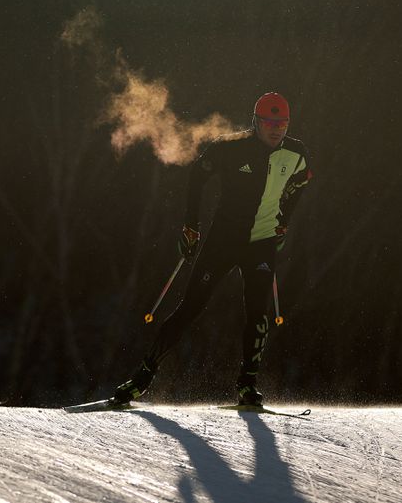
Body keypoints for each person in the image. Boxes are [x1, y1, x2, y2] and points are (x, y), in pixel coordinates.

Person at [112, 92, 313, 407]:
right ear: (256, 122)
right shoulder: (230, 148)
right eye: (270, 122)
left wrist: (283, 222)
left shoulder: (297, 153)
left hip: (261, 243)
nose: (277, 129)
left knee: (258, 312)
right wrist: (191, 225)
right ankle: (143, 377)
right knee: (190, 307)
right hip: (223, 242)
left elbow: (301, 183)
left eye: (283, 123)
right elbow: (198, 177)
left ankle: (247, 385)